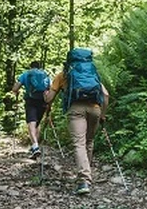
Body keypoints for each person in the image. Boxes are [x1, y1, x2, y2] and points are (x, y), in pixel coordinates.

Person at [45, 48, 110, 195]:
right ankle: (87, 172)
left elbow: (49, 99)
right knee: (89, 141)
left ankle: (84, 180)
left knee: (79, 143)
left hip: (76, 110)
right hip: (95, 109)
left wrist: (45, 96)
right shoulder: (93, 74)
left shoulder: (64, 75)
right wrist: (103, 115)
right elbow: (106, 95)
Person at [10, 61, 50, 158]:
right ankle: (35, 146)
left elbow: (15, 88)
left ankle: (35, 147)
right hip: (43, 102)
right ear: (39, 67)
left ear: (30, 66)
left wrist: (17, 91)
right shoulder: (45, 75)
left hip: (31, 101)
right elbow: (50, 89)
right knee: (37, 124)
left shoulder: (26, 74)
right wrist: (49, 104)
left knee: (31, 123)